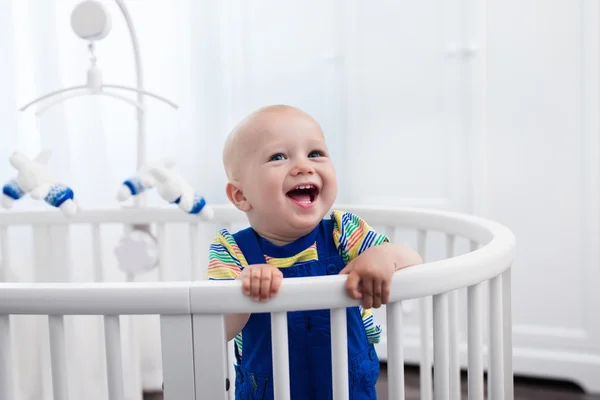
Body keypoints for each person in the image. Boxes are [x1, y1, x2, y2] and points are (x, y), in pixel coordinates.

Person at [207, 105, 422, 399]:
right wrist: (245, 290)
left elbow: (413, 262)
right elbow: (217, 329)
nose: (303, 166)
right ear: (241, 195)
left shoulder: (344, 232)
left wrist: (383, 255)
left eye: (315, 153)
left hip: (348, 390)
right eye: (278, 157)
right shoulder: (233, 251)